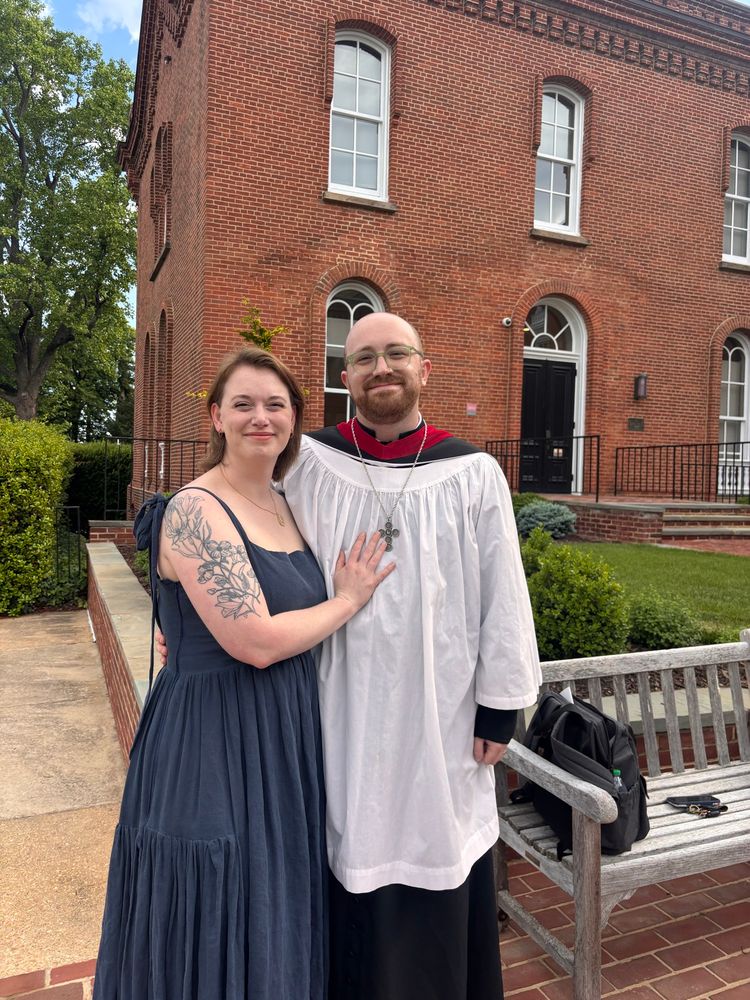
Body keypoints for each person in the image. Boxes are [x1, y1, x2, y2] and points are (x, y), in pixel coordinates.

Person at [93, 346, 394, 1000]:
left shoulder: (286, 503)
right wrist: (348, 600)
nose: (262, 417)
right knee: (216, 897)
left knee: (271, 894)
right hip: (211, 738)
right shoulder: (197, 509)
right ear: (216, 417)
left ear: (294, 418)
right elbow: (254, 641)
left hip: (281, 733)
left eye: (276, 404)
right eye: (244, 404)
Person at [281, 312, 542, 1000]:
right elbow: (247, 541)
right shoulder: (306, 464)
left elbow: (503, 593)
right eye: (365, 358)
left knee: (437, 839)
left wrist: (500, 706)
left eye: (396, 354)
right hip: (337, 705)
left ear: (424, 370)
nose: (382, 368)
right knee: (345, 838)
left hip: (441, 710)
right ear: (345, 378)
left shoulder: (473, 473)